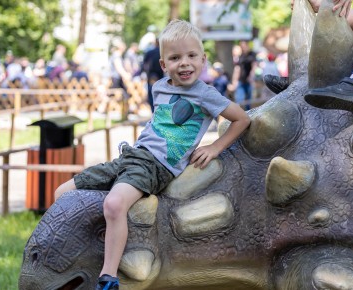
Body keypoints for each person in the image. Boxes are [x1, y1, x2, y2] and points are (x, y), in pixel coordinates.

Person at [53, 19, 251, 290]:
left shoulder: (205, 94)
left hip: (156, 166)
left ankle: (108, 278)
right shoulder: (159, 87)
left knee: (114, 204)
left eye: (192, 56)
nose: (184, 63)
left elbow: (242, 119)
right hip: (132, 156)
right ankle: (75, 255)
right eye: (175, 58)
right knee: (62, 194)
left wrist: (214, 147)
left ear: (203, 60)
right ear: (163, 64)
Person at [231, 40, 256, 110]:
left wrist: (251, 76)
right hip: (241, 80)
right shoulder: (240, 56)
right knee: (239, 99)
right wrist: (234, 80)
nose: (243, 47)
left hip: (248, 80)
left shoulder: (252, 54)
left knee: (248, 100)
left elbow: (254, 66)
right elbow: (237, 69)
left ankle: (248, 113)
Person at [142, 38, 164, 112]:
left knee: (152, 92)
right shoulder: (162, 53)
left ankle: (153, 110)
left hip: (151, 75)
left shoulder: (150, 52)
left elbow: (144, 64)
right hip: (160, 75)